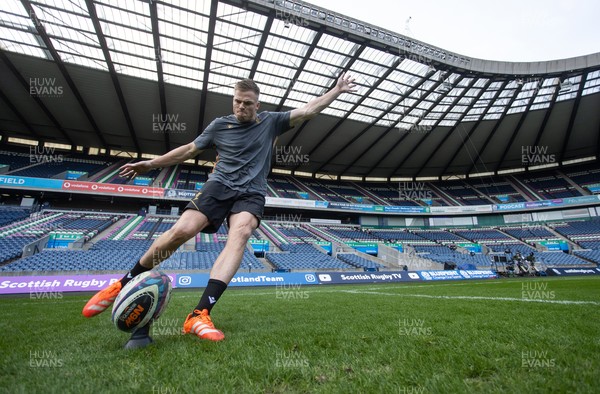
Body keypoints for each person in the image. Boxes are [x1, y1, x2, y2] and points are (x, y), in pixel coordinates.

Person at [82, 73, 357, 341]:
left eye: (247, 103)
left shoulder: (271, 122)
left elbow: (308, 110)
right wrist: (151, 164)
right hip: (219, 185)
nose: (241, 106)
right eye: (237, 101)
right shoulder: (219, 125)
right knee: (182, 230)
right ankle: (121, 283)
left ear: (257, 105)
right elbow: (189, 150)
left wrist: (337, 90)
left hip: (251, 191)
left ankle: (199, 314)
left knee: (242, 232)